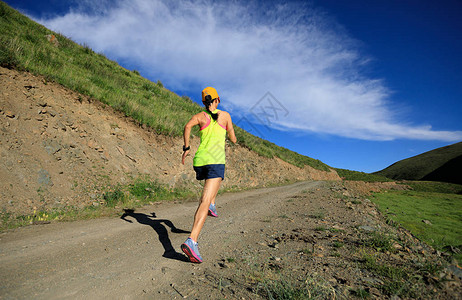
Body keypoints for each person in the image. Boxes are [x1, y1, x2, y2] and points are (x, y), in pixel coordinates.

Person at [180, 87, 237, 263]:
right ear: (217, 100)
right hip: (215, 161)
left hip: (200, 162)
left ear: (204, 102)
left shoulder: (199, 116)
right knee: (206, 198)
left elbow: (187, 126)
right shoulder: (225, 116)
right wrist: (228, 136)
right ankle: (192, 240)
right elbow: (234, 139)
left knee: (211, 190)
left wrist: (186, 147)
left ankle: (212, 203)